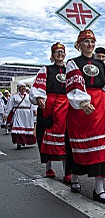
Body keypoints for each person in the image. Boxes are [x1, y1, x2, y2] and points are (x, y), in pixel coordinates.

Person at [65, 29, 105, 204]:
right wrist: (82, 103)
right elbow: (75, 84)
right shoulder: (73, 63)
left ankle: (99, 188)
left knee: (102, 146)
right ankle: (74, 177)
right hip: (82, 107)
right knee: (79, 143)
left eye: (92, 42)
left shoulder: (101, 64)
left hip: (101, 107)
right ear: (79, 44)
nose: (90, 45)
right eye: (86, 41)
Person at [30, 42, 72, 182]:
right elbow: (38, 87)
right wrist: (40, 98)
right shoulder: (46, 69)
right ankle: (48, 167)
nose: (60, 54)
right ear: (52, 55)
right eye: (57, 52)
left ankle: (68, 171)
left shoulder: (69, 71)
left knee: (67, 138)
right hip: (50, 106)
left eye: (62, 52)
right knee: (47, 137)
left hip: (66, 107)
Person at [4, 83, 36, 149]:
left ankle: (26, 141)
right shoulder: (14, 96)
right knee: (17, 127)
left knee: (27, 127)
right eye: (21, 87)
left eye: (23, 87)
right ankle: (19, 142)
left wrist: (34, 111)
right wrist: (6, 114)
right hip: (18, 113)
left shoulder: (28, 96)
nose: (22, 88)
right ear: (18, 88)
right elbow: (9, 105)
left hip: (27, 114)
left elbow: (32, 104)